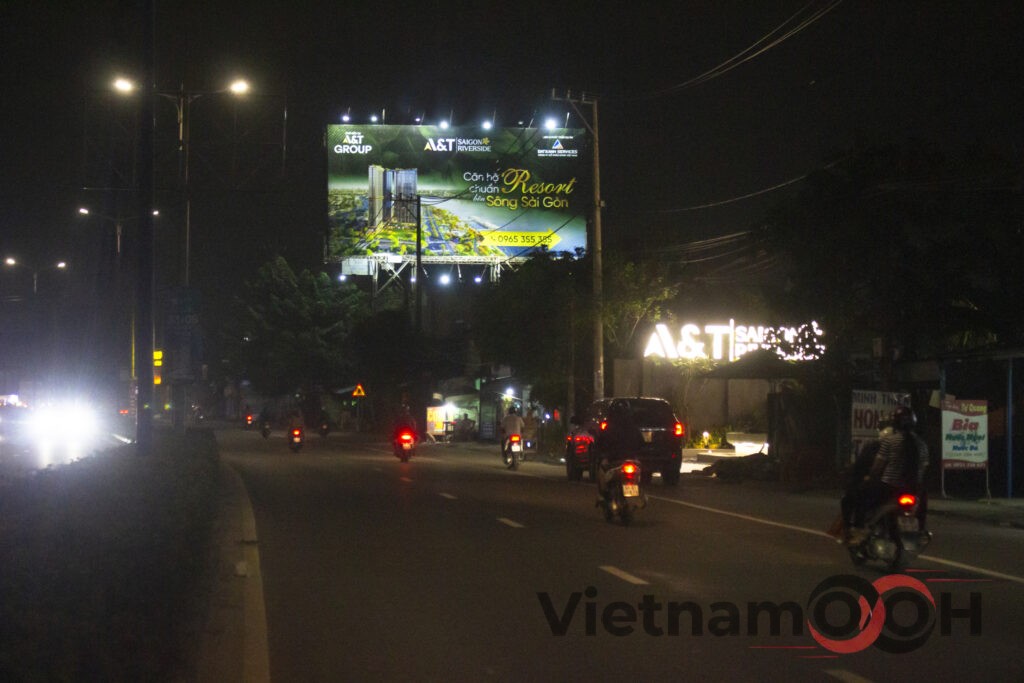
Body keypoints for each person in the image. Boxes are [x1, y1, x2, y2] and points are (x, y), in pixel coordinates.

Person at [850, 406, 929, 542]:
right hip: (914, 488)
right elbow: (924, 467)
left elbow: (878, 466)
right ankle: (921, 530)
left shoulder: (890, 441)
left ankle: (859, 528)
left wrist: (869, 477)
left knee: (860, 493)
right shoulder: (921, 444)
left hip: (890, 487)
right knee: (922, 502)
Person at [594, 399, 644, 502]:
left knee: (601, 469)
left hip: (615, 459)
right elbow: (641, 443)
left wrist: (601, 452)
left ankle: (603, 495)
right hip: (630, 458)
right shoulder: (633, 427)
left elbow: (600, 442)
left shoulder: (609, 427)